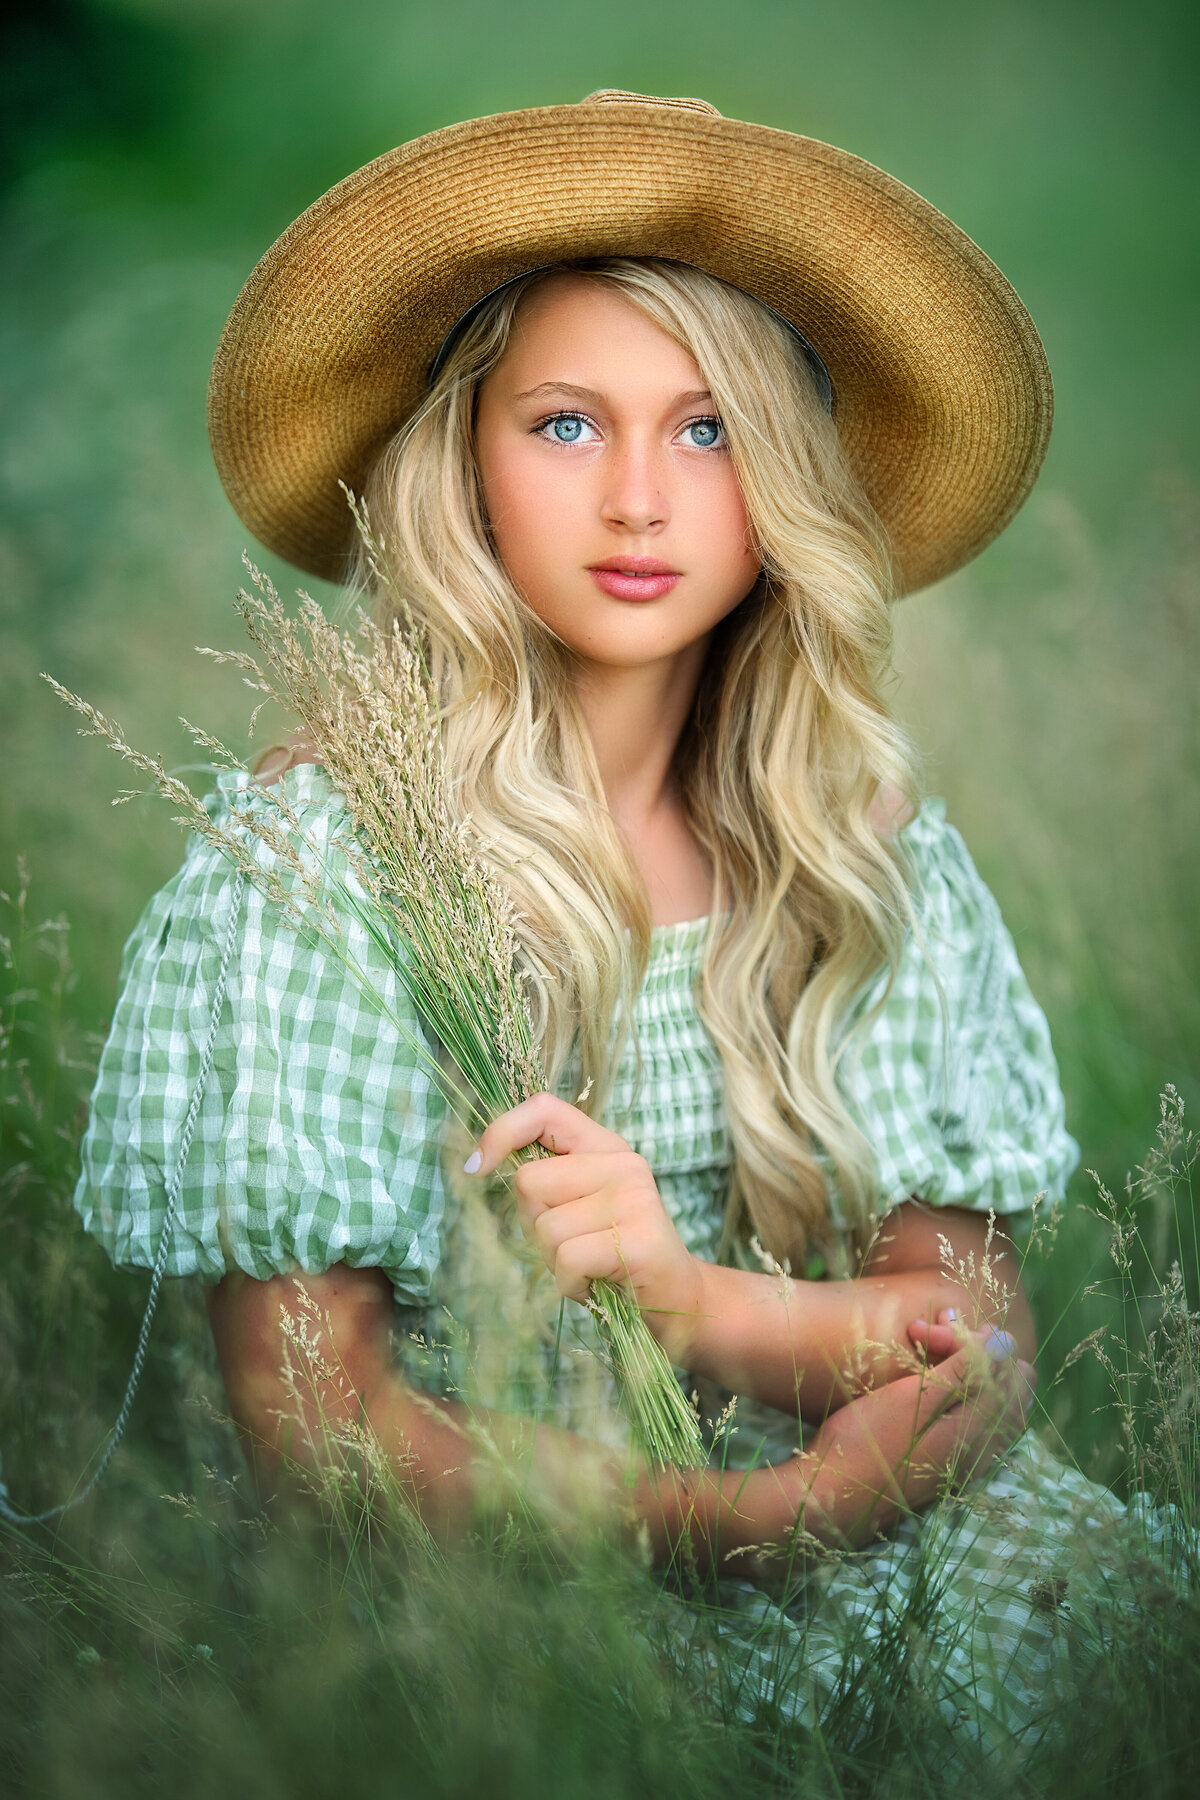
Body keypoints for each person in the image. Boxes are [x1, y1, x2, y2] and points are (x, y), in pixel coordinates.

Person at [74, 92, 1150, 1747]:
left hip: (871, 1521)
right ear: (465, 461)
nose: (641, 498)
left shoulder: (854, 844)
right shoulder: (328, 863)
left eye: (711, 429)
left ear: (786, 479)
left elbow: (970, 1340)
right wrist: (737, 1524)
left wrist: (693, 1301)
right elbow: (320, 1426)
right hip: (518, 1572)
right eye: (567, 425)